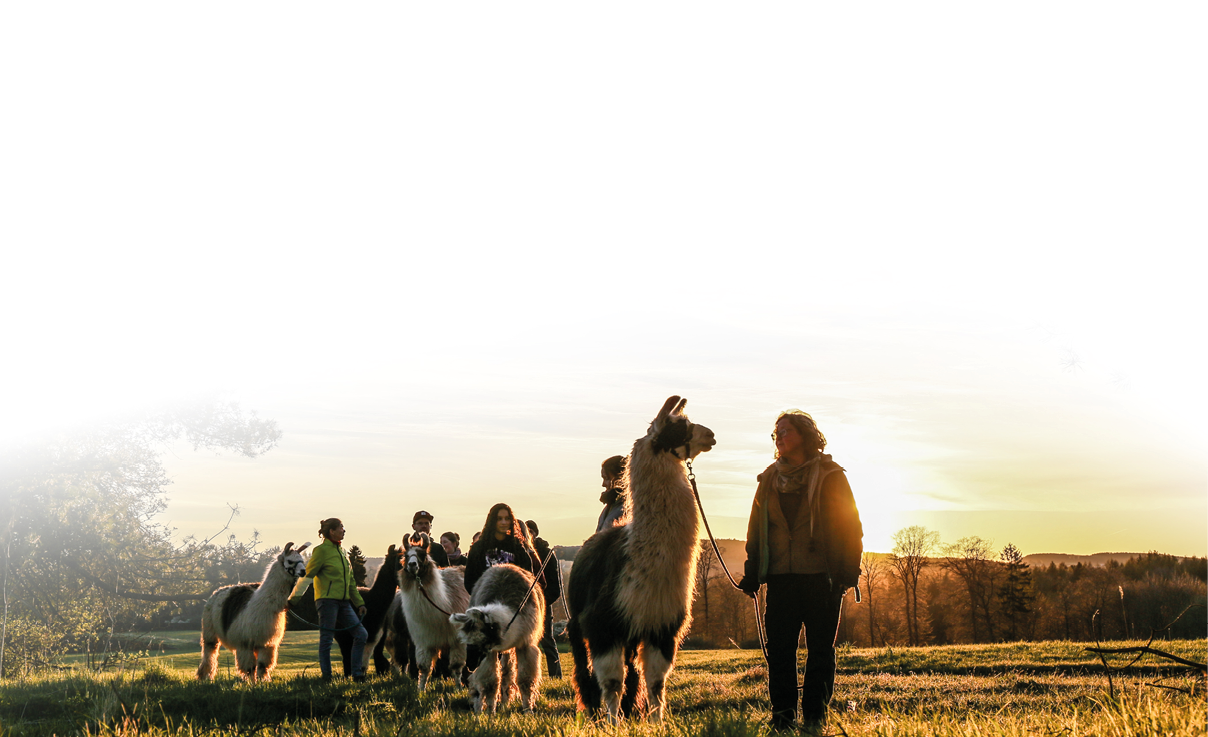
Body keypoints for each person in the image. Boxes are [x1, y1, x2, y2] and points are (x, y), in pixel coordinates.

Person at [737, 411, 863, 732]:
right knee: (780, 654)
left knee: (820, 652)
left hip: (822, 579)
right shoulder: (767, 480)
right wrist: (752, 573)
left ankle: (815, 719)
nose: (779, 436)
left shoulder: (831, 475)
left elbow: (850, 526)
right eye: (776, 432)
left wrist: (849, 570)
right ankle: (782, 719)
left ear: (805, 436)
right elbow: (756, 531)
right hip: (780, 580)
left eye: (786, 431)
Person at [290, 518, 369, 682]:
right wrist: (292, 600)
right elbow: (306, 577)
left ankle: (357, 675)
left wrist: (359, 603)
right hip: (326, 602)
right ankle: (327, 677)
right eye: (341, 527)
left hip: (344, 602)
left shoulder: (343, 552)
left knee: (361, 634)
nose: (344, 530)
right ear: (331, 531)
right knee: (326, 639)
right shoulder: (321, 551)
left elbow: (351, 582)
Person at [464, 503, 544, 594]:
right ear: (492, 521)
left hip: (512, 602)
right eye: (499, 519)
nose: (504, 522)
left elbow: (528, 578)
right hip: (485, 602)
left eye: (507, 519)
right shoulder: (479, 548)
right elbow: (469, 581)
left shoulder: (517, 548)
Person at [525, 519, 563, 678]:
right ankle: (527, 676)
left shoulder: (547, 554)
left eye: (530, 532)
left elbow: (555, 586)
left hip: (543, 604)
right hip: (523, 605)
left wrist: (542, 602)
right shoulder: (520, 552)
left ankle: (556, 676)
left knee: (548, 641)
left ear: (534, 533)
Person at [596, 455, 627, 532]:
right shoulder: (611, 506)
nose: (603, 484)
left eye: (607, 478)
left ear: (620, 478)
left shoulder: (628, 509)